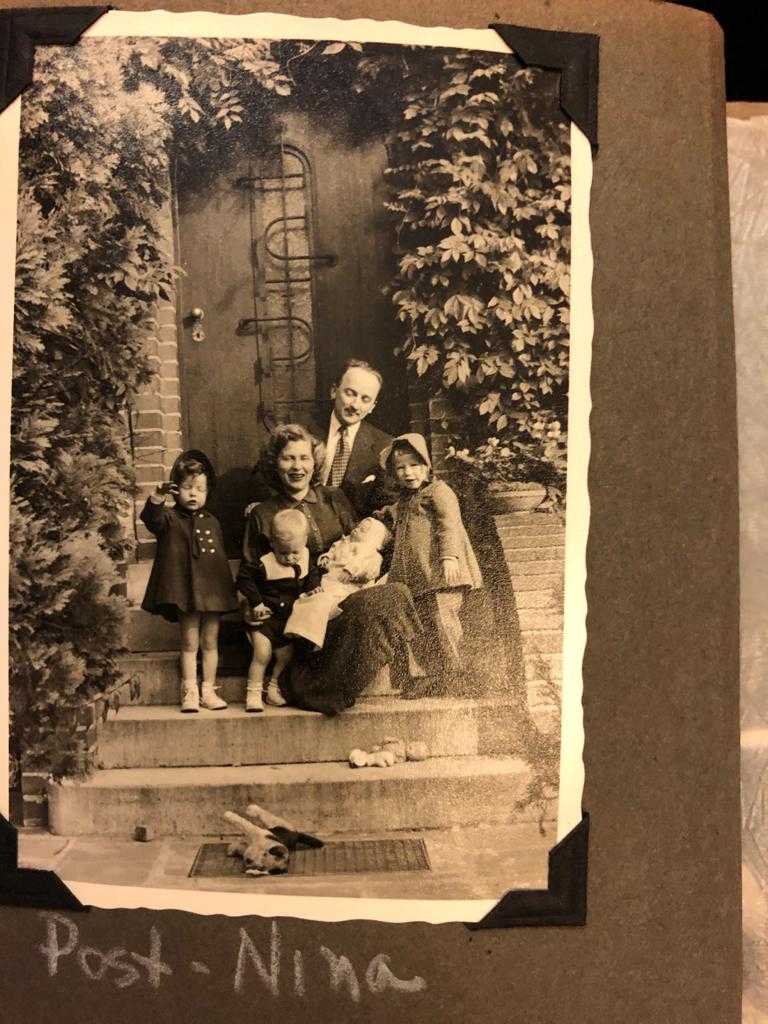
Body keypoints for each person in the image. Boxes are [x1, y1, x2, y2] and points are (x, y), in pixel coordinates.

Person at [240, 424, 422, 716]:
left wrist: (364, 567)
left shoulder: (334, 499)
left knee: (394, 594)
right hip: (297, 621)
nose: (297, 467)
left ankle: (322, 686)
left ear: (315, 463)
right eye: (288, 458)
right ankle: (310, 684)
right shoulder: (263, 514)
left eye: (304, 458)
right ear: (275, 463)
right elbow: (250, 576)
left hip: (342, 603)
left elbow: (360, 542)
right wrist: (251, 607)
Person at [377, 433, 484, 698]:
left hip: (442, 573)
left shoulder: (439, 492)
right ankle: (433, 676)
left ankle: (456, 674)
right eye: (400, 468)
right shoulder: (407, 499)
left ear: (426, 465)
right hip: (418, 577)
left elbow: (449, 525)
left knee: (443, 621)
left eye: (414, 465)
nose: (408, 473)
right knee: (421, 628)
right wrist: (384, 515)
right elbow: (398, 514)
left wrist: (449, 557)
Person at [140, 450, 239, 713]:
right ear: (176, 489)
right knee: (189, 642)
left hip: (212, 593)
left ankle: (208, 689)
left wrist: (225, 590)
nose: (193, 494)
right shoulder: (169, 518)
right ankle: (190, 691)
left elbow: (218, 562)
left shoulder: (213, 522)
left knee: (211, 642)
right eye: (187, 488)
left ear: (208, 491)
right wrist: (157, 497)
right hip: (186, 592)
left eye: (200, 489)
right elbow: (151, 520)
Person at [236, 509, 321, 713]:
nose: (290, 558)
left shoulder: (305, 557)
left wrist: (313, 587)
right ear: (272, 543)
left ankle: (273, 689)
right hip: (266, 619)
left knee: (286, 655)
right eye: (283, 553)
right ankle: (253, 693)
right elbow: (244, 579)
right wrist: (256, 603)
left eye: (295, 552)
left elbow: (312, 574)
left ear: (304, 542)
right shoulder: (264, 563)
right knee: (262, 654)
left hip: (288, 620)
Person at [318, 359, 394, 517]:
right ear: (334, 391)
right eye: (350, 393)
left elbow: (387, 506)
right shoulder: (305, 429)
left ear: (372, 406)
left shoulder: (384, 445)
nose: (355, 405)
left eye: (365, 399)